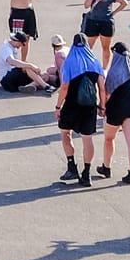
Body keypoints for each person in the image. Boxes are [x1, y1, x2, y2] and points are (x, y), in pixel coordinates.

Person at [56, 35, 105, 186]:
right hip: (89, 106)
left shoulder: (70, 62)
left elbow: (64, 87)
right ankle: (87, 173)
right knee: (87, 138)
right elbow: (102, 88)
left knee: (65, 132)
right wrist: (102, 106)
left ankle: (71, 167)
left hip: (71, 105)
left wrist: (58, 106)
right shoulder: (95, 62)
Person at [97, 42, 130, 185]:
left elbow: (107, 92)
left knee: (109, 139)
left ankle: (107, 167)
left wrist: (102, 107)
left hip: (116, 108)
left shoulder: (115, 71)